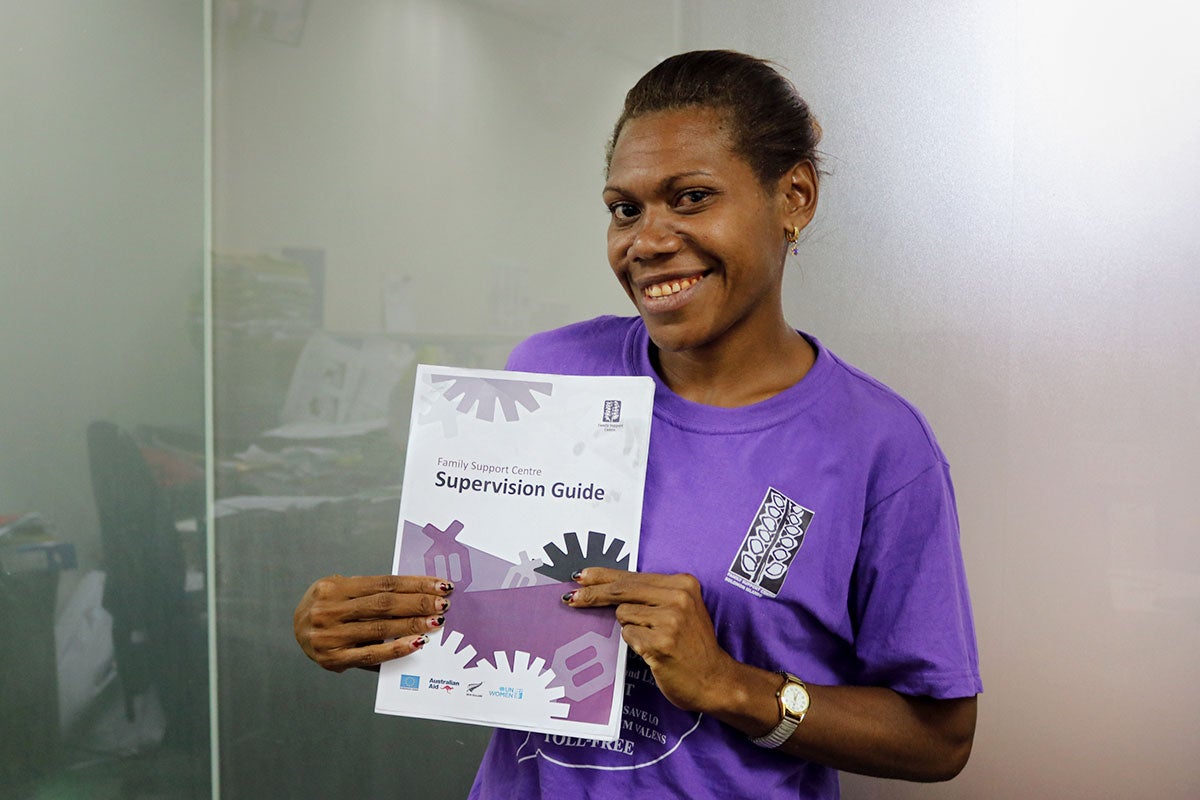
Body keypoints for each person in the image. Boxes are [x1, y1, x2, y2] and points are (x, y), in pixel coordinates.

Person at [293, 50, 981, 799]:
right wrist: (361, 625)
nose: (646, 241)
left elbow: (939, 739)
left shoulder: (877, 446)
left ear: (794, 197)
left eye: (690, 198)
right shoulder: (548, 376)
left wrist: (731, 686)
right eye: (626, 208)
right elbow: (474, 608)